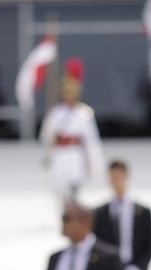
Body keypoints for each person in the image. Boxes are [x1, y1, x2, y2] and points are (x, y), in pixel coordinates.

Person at [40, 58, 104, 203]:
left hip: (76, 156)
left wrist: (94, 162)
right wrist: (49, 151)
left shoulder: (85, 113)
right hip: (60, 155)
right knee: (60, 192)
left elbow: (91, 140)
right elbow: (47, 135)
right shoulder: (56, 112)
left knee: (75, 192)